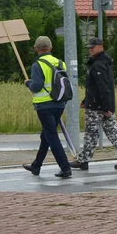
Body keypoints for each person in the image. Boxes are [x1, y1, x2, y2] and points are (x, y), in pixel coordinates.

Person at [70, 36, 117, 171]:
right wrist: (87, 101)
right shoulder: (104, 63)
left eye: (92, 47)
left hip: (97, 107)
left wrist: (105, 107)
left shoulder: (98, 65)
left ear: (100, 47)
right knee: (112, 131)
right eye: (89, 48)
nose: (90, 50)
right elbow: (95, 88)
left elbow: (103, 87)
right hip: (102, 105)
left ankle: (83, 160)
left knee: (91, 133)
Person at [22, 35, 72, 178]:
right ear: (51, 48)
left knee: (51, 135)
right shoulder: (60, 63)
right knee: (46, 136)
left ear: (36, 49)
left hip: (44, 106)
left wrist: (28, 83)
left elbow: (36, 87)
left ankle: (65, 167)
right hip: (60, 104)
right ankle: (36, 166)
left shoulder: (38, 65)